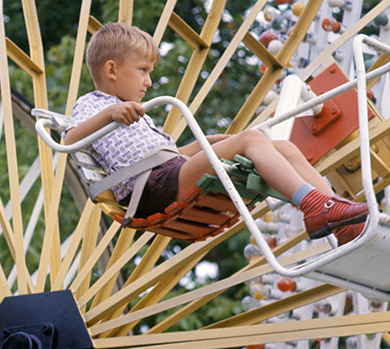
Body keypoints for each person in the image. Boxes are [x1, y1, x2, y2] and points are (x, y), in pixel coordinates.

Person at [65, 22, 368, 243]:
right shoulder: (94, 104)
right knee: (250, 139)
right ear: (111, 71)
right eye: (143, 70)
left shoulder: (134, 115)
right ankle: (314, 205)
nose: (149, 83)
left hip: (167, 173)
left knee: (281, 147)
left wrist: (209, 144)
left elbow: (168, 156)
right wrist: (109, 113)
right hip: (149, 189)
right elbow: (68, 140)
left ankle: (338, 218)